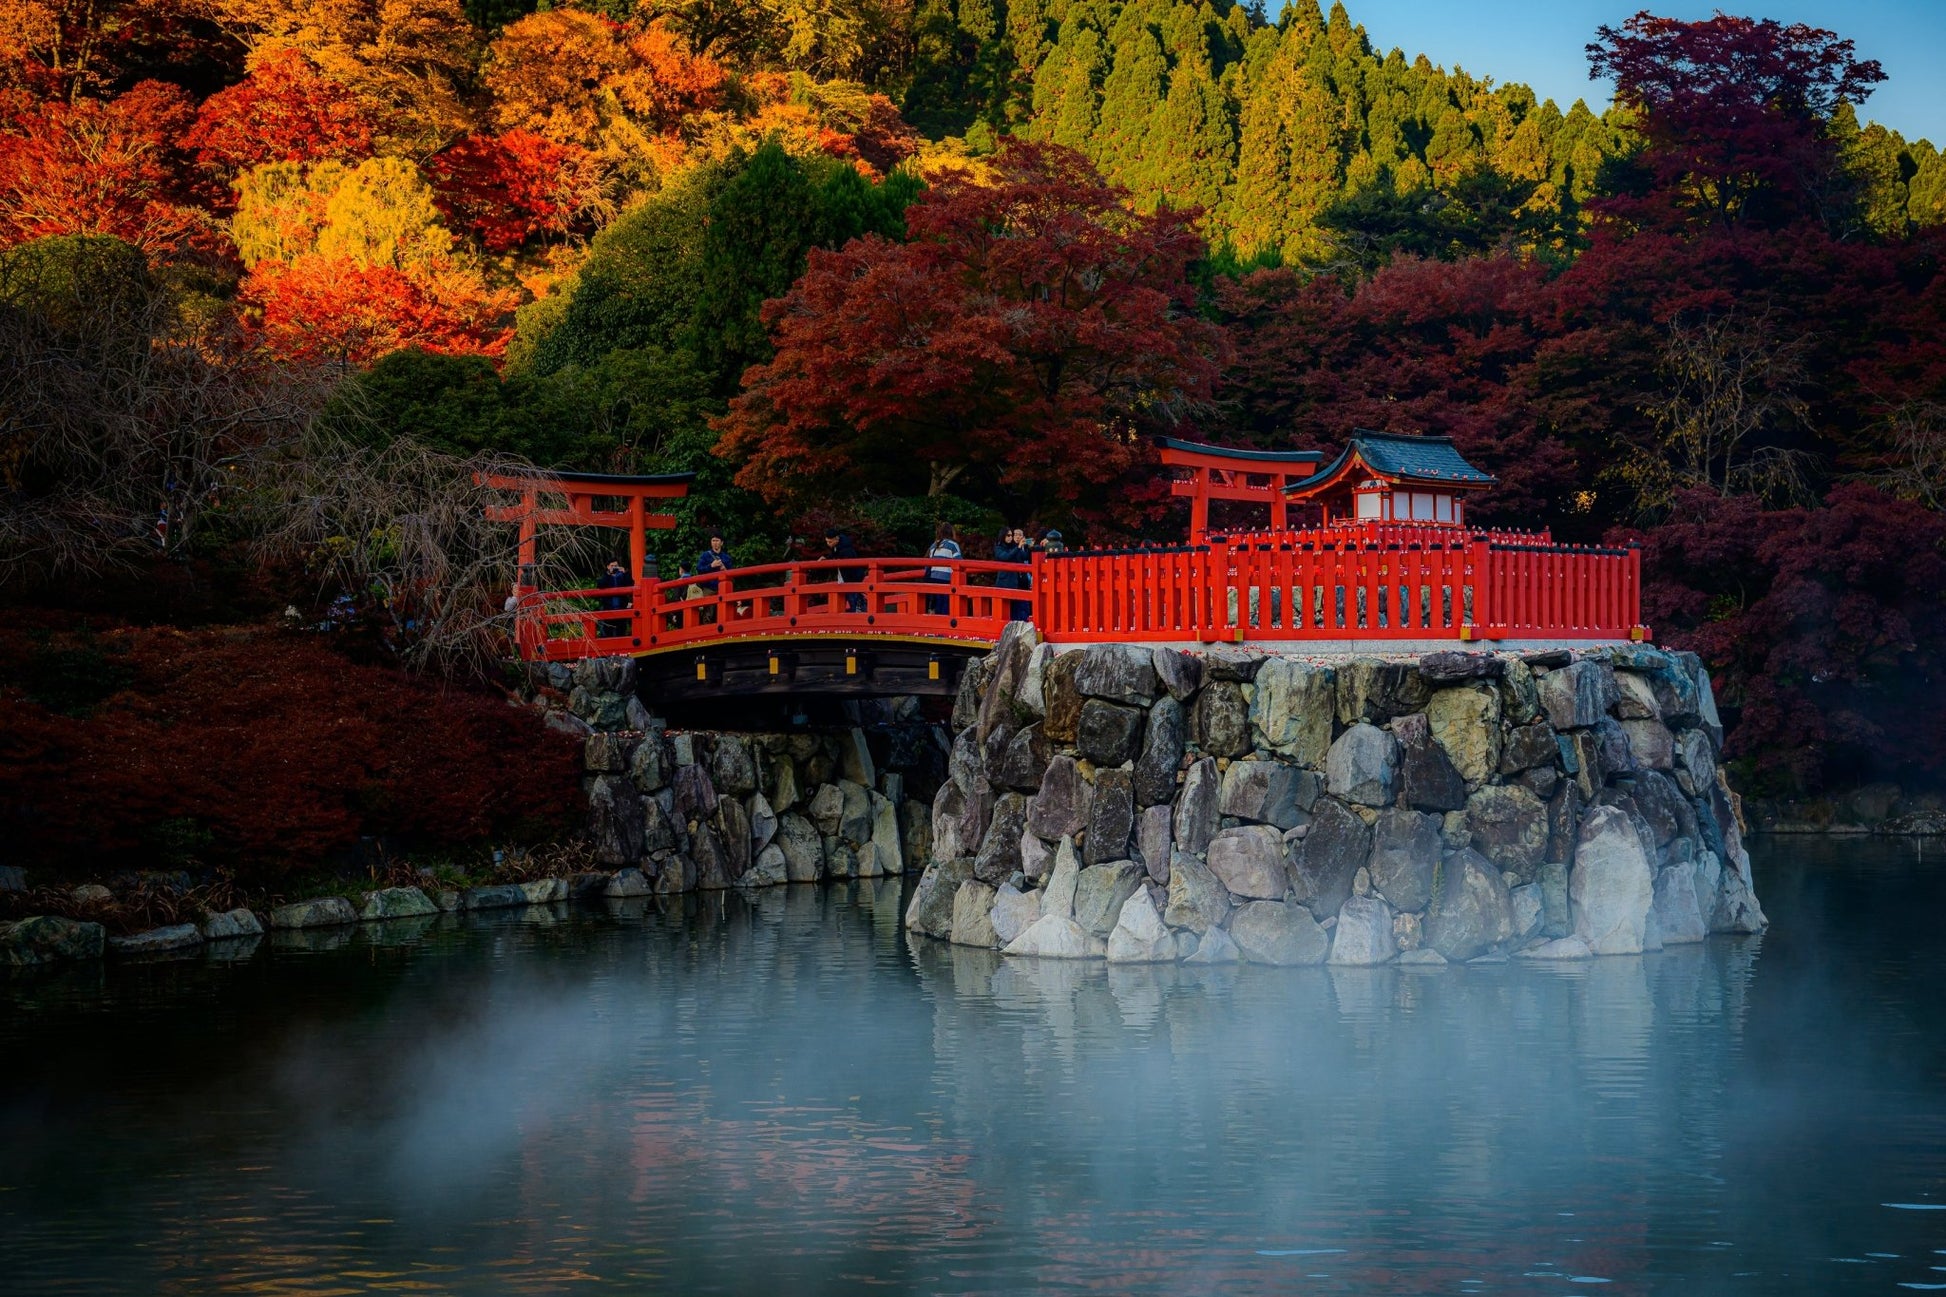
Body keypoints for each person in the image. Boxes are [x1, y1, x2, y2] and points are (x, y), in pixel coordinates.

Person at [822, 527, 865, 613]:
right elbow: (834, 555)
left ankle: (859, 618)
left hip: (851, 579)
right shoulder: (838, 546)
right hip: (846, 579)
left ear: (836, 539)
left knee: (854, 601)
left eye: (830, 542)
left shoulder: (846, 549)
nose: (828, 544)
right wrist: (827, 558)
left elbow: (846, 564)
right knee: (852, 600)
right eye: (827, 541)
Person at [994, 526, 1033, 621]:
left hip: (1017, 582)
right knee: (1008, 611)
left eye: (1011, 535)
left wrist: (1028, 547)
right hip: (1005, 583)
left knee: (1021, 610)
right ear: (1003, 536)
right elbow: (1006, 557)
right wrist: (1018, 547)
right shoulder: (998, 548)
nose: (1010, 537)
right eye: (1008, 535)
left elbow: (1024, 557)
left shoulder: (1014, 547)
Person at [693, 532, 732, 623]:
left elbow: (731, 574)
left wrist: (724, 568)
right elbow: (699, 569)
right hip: (709, 588)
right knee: (708, 613)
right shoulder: (705, 555)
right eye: (713, 540)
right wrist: (711, 565)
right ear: (711, 542)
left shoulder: (726, 558)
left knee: (723, 613)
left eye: (717, 540)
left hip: (723, 588)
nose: (715, 543)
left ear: (721, 543)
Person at [925, 522, 960, 615]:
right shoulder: (953, 545)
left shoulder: (934, 545)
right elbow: (959, 562)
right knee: (946, 605)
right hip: (947, 579)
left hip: (933, 579)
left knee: (936, 604)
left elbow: (927, 563)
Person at [595, 559, 629, 636]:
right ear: (607, 567)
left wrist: (625, 573)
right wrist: (609, 574)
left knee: (621, 632)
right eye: (612, 566)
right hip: (608, 608)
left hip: (621, 607)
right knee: (607, 632)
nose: (614, 568)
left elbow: (630, 584)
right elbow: (600, 585)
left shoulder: (622, 576)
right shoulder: (605, 576)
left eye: (616, 566)